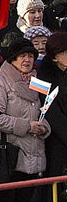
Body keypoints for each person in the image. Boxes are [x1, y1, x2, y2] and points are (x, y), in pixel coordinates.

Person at [0, 38, 51, 202]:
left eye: (30, 56)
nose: (27, 60)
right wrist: (27, 126)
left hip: (33, 153)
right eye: (23, 56)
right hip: (9, 157)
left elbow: (43, 110)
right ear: (13, 58)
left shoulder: (35, 82)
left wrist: (44, 127)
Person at [37, 32, 67, 179]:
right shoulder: (41, 75)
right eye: (65, 52)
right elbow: (49, 110)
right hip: (53, 138)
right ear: (55, 57)